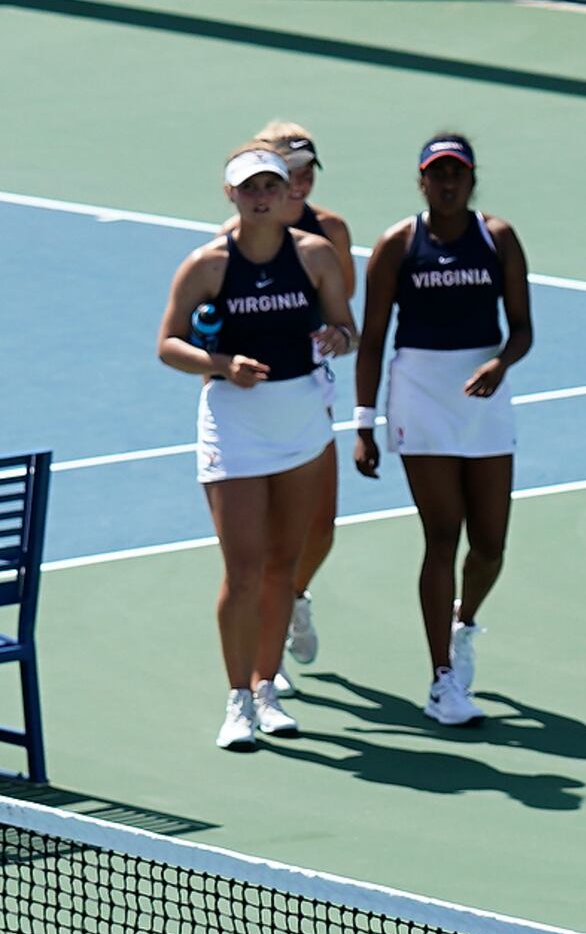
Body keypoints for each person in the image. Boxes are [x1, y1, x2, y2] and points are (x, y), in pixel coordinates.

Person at [162, 139, 355, 751]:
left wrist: (337, 336)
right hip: (234, 423)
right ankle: (238, 700)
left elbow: (349, 327)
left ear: (288, 191)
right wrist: (221, 364)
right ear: (232, 195)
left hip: (299, 420)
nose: (263, 197)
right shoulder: (207, 265)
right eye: (250, 188)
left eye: (272, 186)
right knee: (242, 570)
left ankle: (267, 686)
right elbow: (168, 344)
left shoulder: (317, 256)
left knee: (282, 565)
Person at [352, 131, 533, 727]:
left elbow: (523, 330)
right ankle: (441, 681)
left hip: (483, 394)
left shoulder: (497, 238)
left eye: (458, 173)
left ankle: (463, 624)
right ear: (422, 181)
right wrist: (364, 424)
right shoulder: (397, 245)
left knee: (490, 544)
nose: (448, 182)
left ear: (472, 178)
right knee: (442, 534)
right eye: (437, 173)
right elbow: (372, 340)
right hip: (420, 397)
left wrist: (500, 363)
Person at [261, 122, 355, 680]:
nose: (301, 181)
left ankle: (293, 593)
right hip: (252, 395)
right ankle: (261, 667)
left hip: (311, 389)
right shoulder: (244, 232)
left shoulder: (331, 231)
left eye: (308, 170)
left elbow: (345, 314)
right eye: (290, 171)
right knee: (268, 532)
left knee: (321, 526)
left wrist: (338, 336)